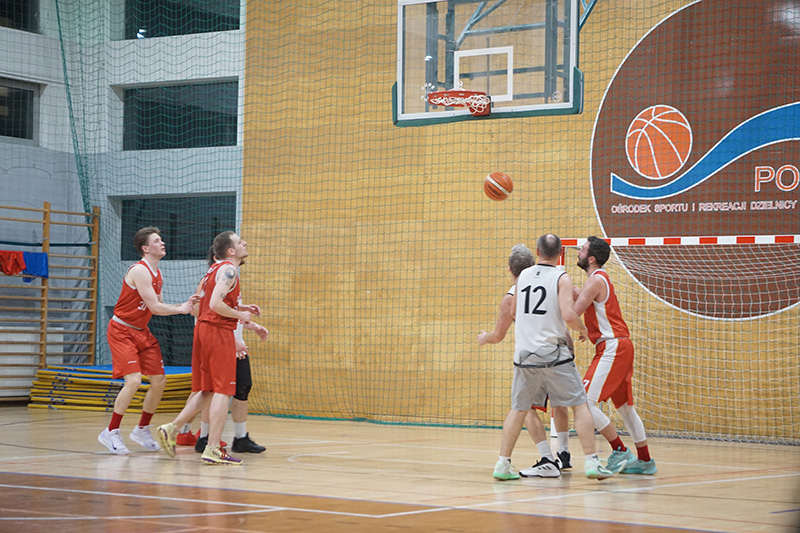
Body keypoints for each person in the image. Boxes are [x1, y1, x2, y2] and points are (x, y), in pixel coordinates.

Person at [493, 234, 617, 481]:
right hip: (554, 354)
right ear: (560, 253)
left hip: (525, 355)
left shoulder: (523, 277)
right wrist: (582, 329)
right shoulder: (561, 277)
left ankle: (502, 464)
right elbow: (569, 315)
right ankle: (591, 462)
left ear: (537, 251)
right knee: (579, 405)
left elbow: (515, 311)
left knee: (518, 409)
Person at [156, 231, 268, 465]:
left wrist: (242, 309)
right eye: (240, 242)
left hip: (204, 331)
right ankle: (213, 447)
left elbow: (210, 302)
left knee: (207, 390)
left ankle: (172, 427)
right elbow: (216, 304)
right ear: (230, 251)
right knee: (223, 390)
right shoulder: (229, 270)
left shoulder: (215, 270)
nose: (245, 243)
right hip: (217, 331)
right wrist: (240, 314)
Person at [98, 227, 199, 455]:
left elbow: (159, 307)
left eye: (161, 240)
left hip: (142, 331)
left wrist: (184, 306)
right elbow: (154, 307)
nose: (162, 243)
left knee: (159, 380)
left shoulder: (157, 273)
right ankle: (111, 431)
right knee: (133, 381)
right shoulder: (140, 270)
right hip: (122, 330)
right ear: (145, 248)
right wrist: (181, 309)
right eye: (156, 240)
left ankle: (142, 429)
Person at [477, 244, 570, 478]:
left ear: (510, 269)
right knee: (567, 403)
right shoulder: (552, 283)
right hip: (559, 353)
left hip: (532, 359)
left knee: (523, 407)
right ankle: (564, 453)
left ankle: (545, 458)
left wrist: (485, 337)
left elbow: (498, 336)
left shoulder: (512, 296)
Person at [573, 236, 657, 475]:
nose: (578, 251)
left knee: (584, 403)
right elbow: (583, 301)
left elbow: (574, 311)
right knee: (625, 408)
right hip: (618, 345)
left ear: (591, 258)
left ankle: (619, 449)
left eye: (582, 249)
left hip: (613, 347)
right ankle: (645, 460)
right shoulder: (597, 280)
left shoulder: (595, 281)